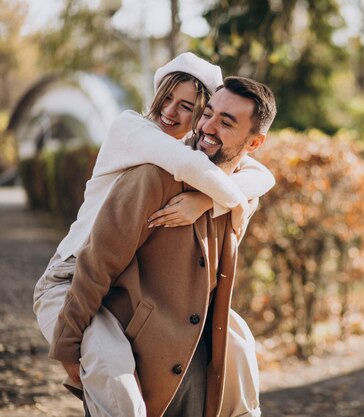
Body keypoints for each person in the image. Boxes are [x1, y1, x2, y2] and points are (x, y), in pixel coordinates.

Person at [33, 53, 267, 417]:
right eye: (165, 98)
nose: (170, 112)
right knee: (114, 376)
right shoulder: (134, 131)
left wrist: (205, 202)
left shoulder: (196, 161)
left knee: (237, 345)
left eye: (188, 106)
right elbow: (203, 169)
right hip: (69, 275)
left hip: (113, 282)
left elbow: (261, 176)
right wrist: (215, 199)